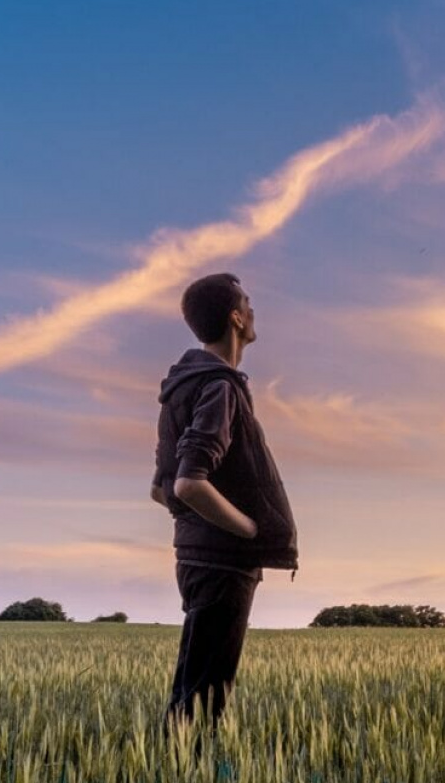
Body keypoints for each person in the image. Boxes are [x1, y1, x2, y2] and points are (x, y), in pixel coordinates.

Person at [151, 272, 300, 729]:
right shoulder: (219, 386)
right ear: (236, 318)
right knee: (205, 702)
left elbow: (160, 487)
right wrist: (249, 530)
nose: (254, 312)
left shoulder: (182, 386)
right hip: (223, 561)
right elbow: (186, 484)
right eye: (248, 304)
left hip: (196, 557)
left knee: (192, 692)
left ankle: (171, 767)